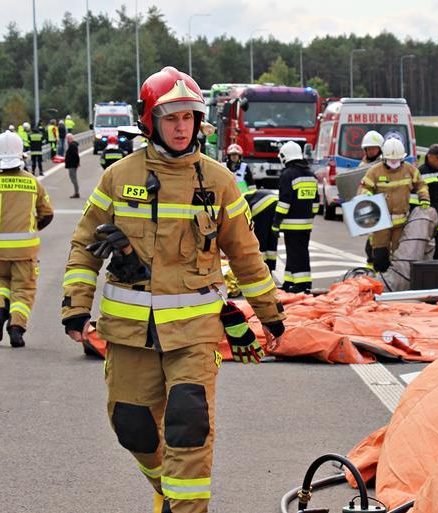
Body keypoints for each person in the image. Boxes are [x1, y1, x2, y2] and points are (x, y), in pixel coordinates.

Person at [61, 66, 285, 513]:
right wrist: (75, 307)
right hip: (128, 332)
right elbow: (84, 245)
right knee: (132, 427)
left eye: (189, 117)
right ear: (151, 121)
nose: (182, 127)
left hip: (195, 332)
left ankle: (185, 508)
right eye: (171, 118)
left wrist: (270, 312)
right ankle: (167, 488)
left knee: (189, 423)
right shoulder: (117, 177)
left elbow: (245, 255)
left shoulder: (218, 181)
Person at [0, 131, 54, 347]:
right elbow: (47, 214)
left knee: (1, 283)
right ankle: (16, 328)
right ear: (20, 154)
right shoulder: (32, 183)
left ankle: (1, 308)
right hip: (25, 251)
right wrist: (32, 227)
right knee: (23, 288)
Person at [358, 138, 429, 272]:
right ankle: (380, 283)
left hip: (401, 222)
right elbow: (365, 186)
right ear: (384, 158)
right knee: (379, 255)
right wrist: (366, 195)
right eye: (392, 160)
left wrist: (424, 197)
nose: (394, 163)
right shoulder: (375, 171)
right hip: (381, 222)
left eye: (397, 160)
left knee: (399, 256)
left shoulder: (410, 170)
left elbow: (421, 184)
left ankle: (396, 284)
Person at [273, 141, 318, 292]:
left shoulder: (288, 175)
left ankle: (302, 284)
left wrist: (276, 222)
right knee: (299, 251)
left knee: (295, 253)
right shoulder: (311, 175)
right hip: (306, 223)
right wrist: (310, 216)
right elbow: (316, 202)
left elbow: (284, 202)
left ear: (285, 157)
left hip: (291, 223)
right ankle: (289, 281)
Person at [359, 130, 385, 268]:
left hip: (385, 209)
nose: (370, 151)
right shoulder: (362, 167)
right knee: (370, 247)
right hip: (370, 209)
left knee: (380, 247)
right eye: (368, 149)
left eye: (373, 148)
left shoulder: (385, 166)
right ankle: (371, 271)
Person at [244, 189, 279, 271]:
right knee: (271, 237)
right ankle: (270, 266)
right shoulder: (242, 195)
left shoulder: (235, 200)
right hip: (274, 200)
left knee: (260, 237)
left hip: (260, 204)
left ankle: (260, 267)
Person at [64, 133, 81, 198]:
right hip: (72, 164)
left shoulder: (72, 146)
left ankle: (76, 193)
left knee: (73, 179)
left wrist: (77, 163)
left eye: (68, 139)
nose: (67, 140)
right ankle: (76, 192)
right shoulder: (73, 145)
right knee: (73, 179)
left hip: (72, 165)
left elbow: (76, 155)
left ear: (70, 139)